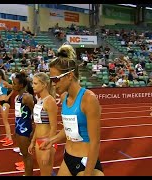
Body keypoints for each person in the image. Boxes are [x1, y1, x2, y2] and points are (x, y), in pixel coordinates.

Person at [40, 45, 104, 176]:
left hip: (85, 162)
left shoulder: (89, 99)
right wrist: (52, 140)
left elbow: (95, 142)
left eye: (55, 79)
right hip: (68, 159)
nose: (53, 84)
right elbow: (70, 128)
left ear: (69, 76)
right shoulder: (65, 97)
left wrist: (88, 174)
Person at [28, 72, 58, 176]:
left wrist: (48, 149)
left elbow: (54, 127)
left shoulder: (50, 101)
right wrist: (32, 141)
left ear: (44, 85)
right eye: (33, 83)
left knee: (46, 174)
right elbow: (38, 124)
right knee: (44, 172)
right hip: (38, 141)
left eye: (35, 83)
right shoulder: (39, 100)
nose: (32, 86)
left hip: (46, 142)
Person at [12, 72, 35, 176]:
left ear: (21, 85)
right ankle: (27, 173)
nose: (12, 85)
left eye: (14, 83)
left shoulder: (27, 97)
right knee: (24, 154)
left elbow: (35, 113)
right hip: (18, 127)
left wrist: (34, 130)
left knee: (27, 155)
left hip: (25, 128)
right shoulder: (18, 97)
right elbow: (18, 115)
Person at [0, 70, 13, 146]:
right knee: (4, 121)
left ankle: (10, 139)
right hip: (1, 103)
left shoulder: (4, 83)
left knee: (6, 121)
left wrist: (8, 96)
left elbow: (14, 88)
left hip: (5, 103)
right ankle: (7, 136)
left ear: (0, 76)